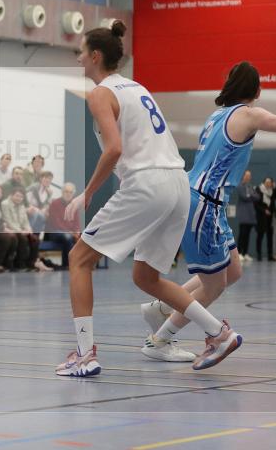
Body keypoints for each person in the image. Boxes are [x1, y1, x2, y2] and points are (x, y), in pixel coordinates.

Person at [139, 61, 276, 364]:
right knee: (214, 285)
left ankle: (163, 307)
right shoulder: (248, 114)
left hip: (200, 198)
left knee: (233, 270)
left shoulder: (215, 115)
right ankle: (160, 339)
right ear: (257, 90)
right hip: (203, 202)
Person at [57, 21, 240, 378]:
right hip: (176, 183)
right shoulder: (137, 87)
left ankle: (85, 354)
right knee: (146, 277)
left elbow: (114, 150)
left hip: (148, 183)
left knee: (79, 259)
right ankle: (219, 334)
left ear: (95, 56)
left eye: (81, 52)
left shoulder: (100, 93)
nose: (78, 59)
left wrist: (87, 193)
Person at [46, 183, 81, 269]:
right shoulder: (55, 203)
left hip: (69, 232)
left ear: (73, 194)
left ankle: (84, 263)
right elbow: (56, 223)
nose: (68, 194)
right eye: (66, 191)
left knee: (84, 237)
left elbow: (76, 222)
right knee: (67, 236)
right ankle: (69, 264)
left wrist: (76, 231)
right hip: (55, 232)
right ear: (62, 192)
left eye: (70, 192)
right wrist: (70, 232)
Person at [255, 176, 276, 262]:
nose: (268, 184)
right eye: (266, 182)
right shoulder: (258, 190)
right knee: (260, 235)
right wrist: (264, 210)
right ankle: (259, 255)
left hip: (270, 216)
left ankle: (270, 255)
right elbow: (255, 204)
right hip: (261, 216)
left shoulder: (272, 191)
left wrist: (275, 187)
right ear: (263, 183)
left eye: (270, 183)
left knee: (270, 236)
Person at [234, 170, 258, 262]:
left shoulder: (250, 186)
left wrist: (251, 195)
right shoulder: (240, 186)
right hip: (243, 215)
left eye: (250, 176)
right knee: (242, 234)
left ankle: (245, 253)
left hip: (251, 215)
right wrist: (251, 195)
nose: (249, 177)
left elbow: (257, 197)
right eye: (247, 176)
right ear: (243, 176)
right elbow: (244, 196)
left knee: (248, 235)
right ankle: (239, 253)